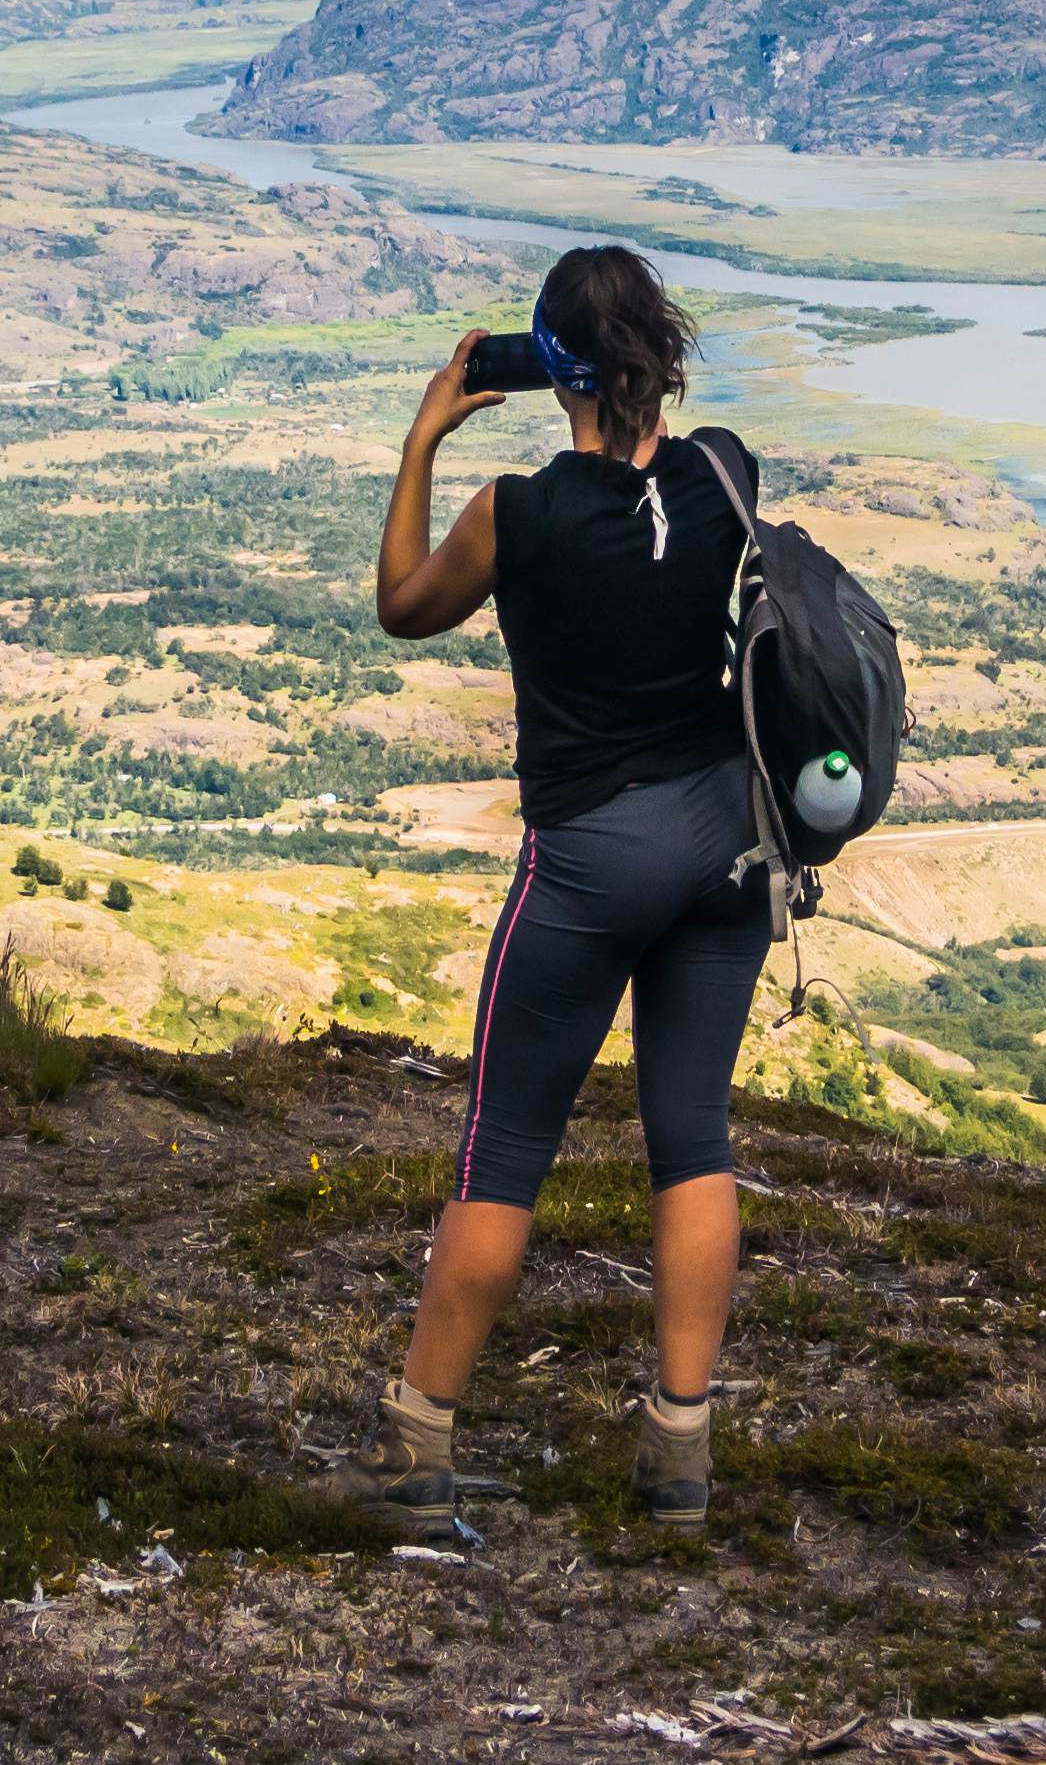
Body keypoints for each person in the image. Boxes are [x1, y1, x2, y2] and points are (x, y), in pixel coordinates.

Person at [348, 244, 770, 1530]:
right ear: (662, 354)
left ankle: (417, 1448)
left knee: (506, 1149)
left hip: (592, 858)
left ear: (551, 369)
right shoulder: (724, 473)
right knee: (692, 1136)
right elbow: (660, 467)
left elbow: (403, 605)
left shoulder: (516, 514)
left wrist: (425, 439)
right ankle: (680, 1452)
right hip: (725, 845)